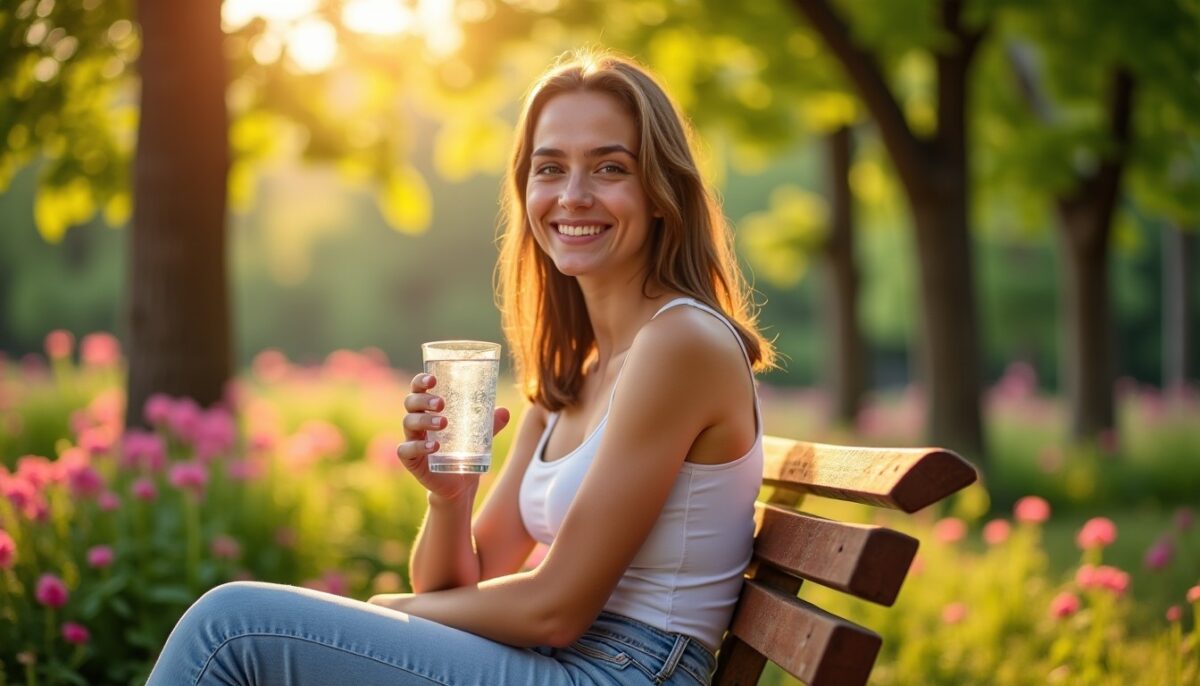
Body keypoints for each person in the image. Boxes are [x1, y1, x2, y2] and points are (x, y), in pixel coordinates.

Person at [146, 48, 774, 686]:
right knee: (236, 630)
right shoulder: (573, 376)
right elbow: (456, 584)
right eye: (550, 168)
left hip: (626, 671)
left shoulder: (681, 343)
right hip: (564, 662)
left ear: (662, 192)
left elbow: (554, 610)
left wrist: (394, 610)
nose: (572, 195)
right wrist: (450, 498)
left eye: (610, 167)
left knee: (232, 629)